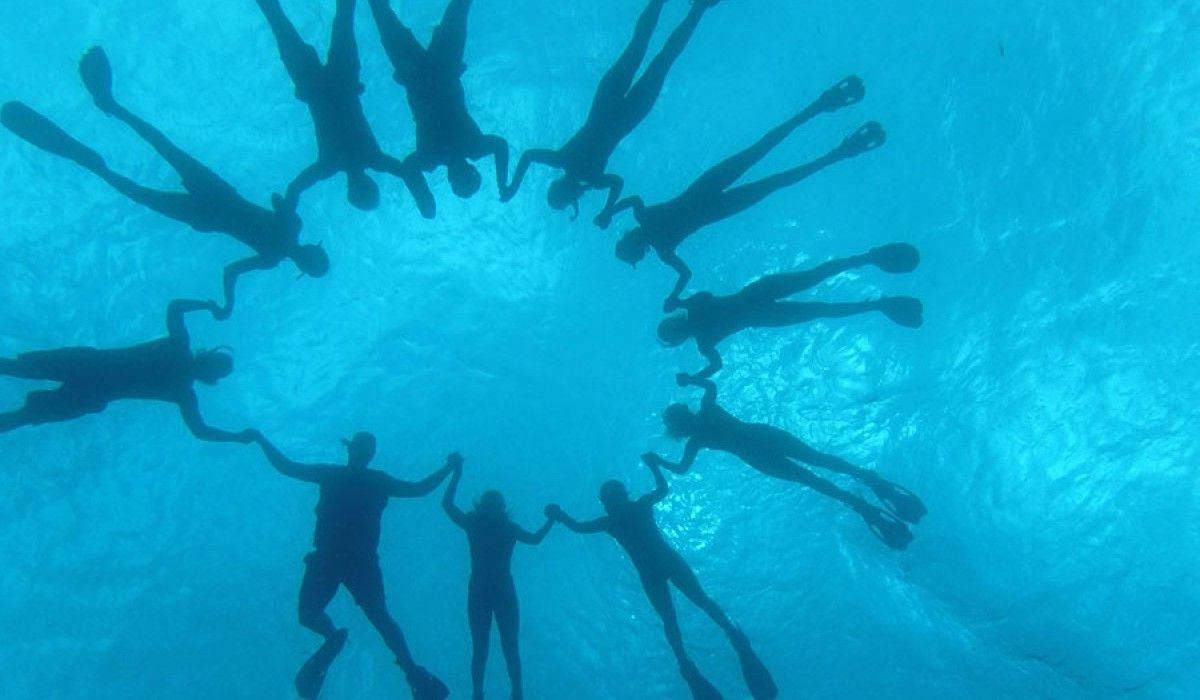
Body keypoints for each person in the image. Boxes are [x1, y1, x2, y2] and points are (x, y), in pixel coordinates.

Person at [0, 47, 329, 318]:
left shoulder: (291, 227)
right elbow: (231, 271)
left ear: (313, 252)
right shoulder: (271, 257)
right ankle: (91, 159)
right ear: (301, 267)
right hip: (207, 215)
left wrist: (288, 198)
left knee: (164, 147)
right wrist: (227, 305)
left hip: (218, 197)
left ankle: (110, 108)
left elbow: (278, 198)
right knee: (139, 190)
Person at [604, 76, 883, 309]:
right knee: (762, 148)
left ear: (635, 251)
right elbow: (633, 200)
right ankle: (821, 107)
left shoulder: (663, 248)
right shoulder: (646, 221)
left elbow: (685, 273)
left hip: (719, 207)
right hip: (708, 188)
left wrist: (675, 298)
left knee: (778, 179)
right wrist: (608, 210)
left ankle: (840, 151)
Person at [546, 460, 776, 700]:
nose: (610, 504)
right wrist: (653, 465)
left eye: (609, 500)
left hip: (653, 571)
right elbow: (662, 489)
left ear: (609, 501)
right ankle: (722, 635)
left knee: (675, 615)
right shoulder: (636, 507)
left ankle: (688, 657)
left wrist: (559, 515)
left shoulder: (614, 519)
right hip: (667, 563)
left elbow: (579, 526)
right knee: (694, 605)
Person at [251, 431, 457, 699]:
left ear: (354, 451)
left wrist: (260, 439)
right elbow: (420, 488)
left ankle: (399, 667)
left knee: (361, 616)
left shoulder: (344, 476)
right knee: (358, 616)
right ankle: (400, 667)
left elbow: (287, 467)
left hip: (344, 560)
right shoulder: (366, 479)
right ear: (367, 453)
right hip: (344, 559)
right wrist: (449, 467)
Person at [644, 375, 922, 549]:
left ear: (678, 429)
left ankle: (859, 502)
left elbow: (681, 470)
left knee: (811, 477)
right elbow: (710, 385)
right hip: (764, 438)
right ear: (682, 415)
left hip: (758, 455)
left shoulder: (697, 439)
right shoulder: (706, 412)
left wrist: (658, 463)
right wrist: (691, 379)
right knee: (817, 463)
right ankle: (864, 479)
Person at [503, 0, 723, 219]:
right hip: (610, 105)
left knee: (660, 57)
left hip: (625, 115)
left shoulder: (587, 175)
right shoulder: (567, 163)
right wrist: (513, 185)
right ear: (556, 186)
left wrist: (608, 208)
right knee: (643, 47)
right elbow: (529, 156)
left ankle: (698, 8)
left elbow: (616, 183)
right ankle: (693, 7)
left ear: (571, 197)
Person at [256, 0, 435, 215]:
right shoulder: (334, 163)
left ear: (368, 184)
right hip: (320, 86)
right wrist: (285, 210)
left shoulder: (365, 159)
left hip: (340, 82)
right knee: (280, 21)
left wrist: (425, 202)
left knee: (342, 17)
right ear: (350, 190)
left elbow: (406, 172)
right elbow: (296, 188)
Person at [660, 244, 924, 380]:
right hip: (758, 308)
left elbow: (715, 364)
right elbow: (716, 363)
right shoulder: (700, 331)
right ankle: (874, 291)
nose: (676, 330)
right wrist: (678, 300)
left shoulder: (701, 334)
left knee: (816, 288)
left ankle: (870, 272)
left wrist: (679, 300)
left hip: (757, 305)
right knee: (819, 300)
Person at [0, 299, 251, 442]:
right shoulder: (182, 389)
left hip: (89, 371)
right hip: (92, 387)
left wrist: (209, 306)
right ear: (210, 378)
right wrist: (237, 437)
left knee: (17, 377)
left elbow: (176, 306)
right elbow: (201, 431)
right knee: (18, 397)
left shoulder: (179, 353)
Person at [366, 0, 509, 201]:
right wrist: (424, 198)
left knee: (383, 13)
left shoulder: (453, 152)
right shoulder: (440, 155)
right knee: (382, 14)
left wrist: (502, 182)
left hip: (436, 71)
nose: (459, 173)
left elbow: (500, 146)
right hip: (427, 73)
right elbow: (408, 169)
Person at [441, 458, 553, 700]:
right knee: (489, 648)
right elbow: (534, 539)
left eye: (495, 503)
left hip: (486, 589)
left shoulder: (478, 524)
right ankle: (484, 693)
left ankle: (511, 693)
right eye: (491, 503)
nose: (493, 507)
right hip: (494, 589)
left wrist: (455, 474)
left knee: (502, 647)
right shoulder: (503, 527)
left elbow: (447, 504)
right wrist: (553, 519)